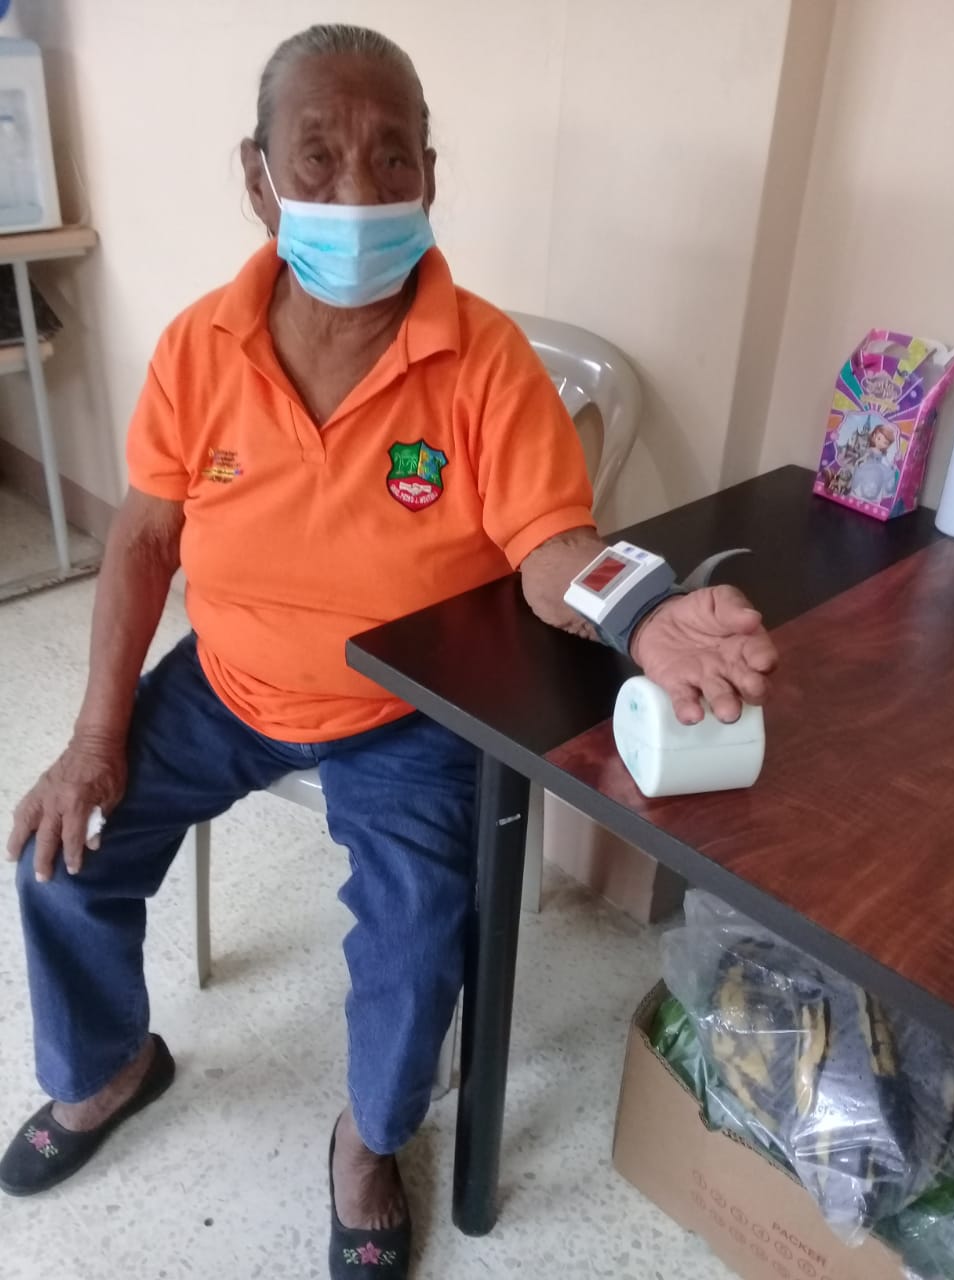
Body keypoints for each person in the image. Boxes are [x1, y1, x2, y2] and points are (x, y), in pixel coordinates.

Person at [1, 24, 777, 1279]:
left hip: (404, 707)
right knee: (60, 847)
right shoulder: (200, 346)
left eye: (393, 155)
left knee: (421, 933)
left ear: (430, 173)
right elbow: (144, 537)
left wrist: (642, 613)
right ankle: (108, 1064)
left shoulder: (484, 361)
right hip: (228, 682)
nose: (358, 190)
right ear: (258, 178)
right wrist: (95, 735)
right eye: (318, 155)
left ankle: (369, 1140)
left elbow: (551, 542)